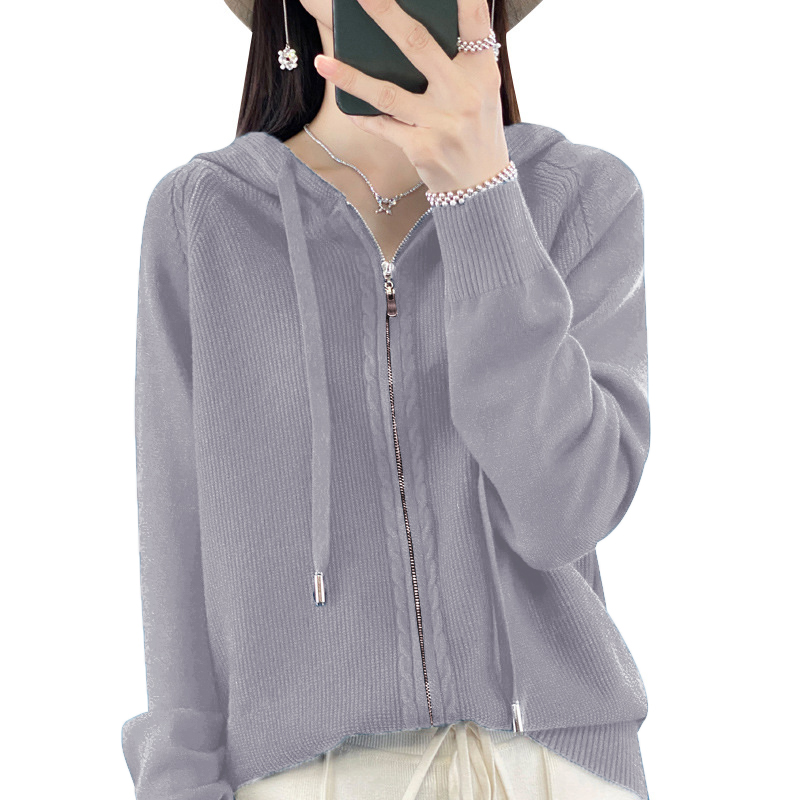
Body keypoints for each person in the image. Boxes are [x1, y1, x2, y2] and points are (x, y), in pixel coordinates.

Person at [121, 0, 651, 798]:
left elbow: (564, 512)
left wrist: (481, 197)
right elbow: (175, 554)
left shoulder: (577, 197)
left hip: (552, 771)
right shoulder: (205, 217)